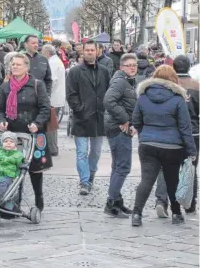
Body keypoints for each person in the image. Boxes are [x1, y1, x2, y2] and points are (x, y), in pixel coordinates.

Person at [131, 65, 197, 227]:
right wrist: (191, 150)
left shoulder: (143, 97)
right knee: (172, 181)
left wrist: (144, 137)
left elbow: (136, 121)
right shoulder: (178, 99)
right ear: (173, 79)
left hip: (148, 145)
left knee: (146, 180)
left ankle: (137, 214)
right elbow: (184, 127)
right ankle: (176, 214)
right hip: (172, 147)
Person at [0, 53, 51, 211]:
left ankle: (38, 199)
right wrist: (1, 122)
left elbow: (45, 107)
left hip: (33, 132)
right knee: (13, 168)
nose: (14, 67)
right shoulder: (5, 86)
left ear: (26, 67)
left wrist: (38, 123)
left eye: (18, 64)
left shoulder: (36, 84)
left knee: (35, 169)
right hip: (13, 134)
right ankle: (14, 202)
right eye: (13, 64)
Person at [155, 55, 200, 216]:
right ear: (189, 67)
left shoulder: (168, 86)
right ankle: (190, 203)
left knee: (164, 167)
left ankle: (161, 200)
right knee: (190, 168)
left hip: (170, 131)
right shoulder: (197, 86)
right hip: (193, 132)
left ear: (173, 66)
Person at [66, 40, 111, 195]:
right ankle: (84, 181)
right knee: (82, 152)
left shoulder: (104, 71)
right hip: (82, 118)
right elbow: (71, 95)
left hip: (99, 118)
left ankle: (91, 174)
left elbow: (108, 91)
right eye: (87, 50)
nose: (90, 52)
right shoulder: (75, 72)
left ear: (97, 51)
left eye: (93, 50)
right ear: (82, 52)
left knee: (96, 152)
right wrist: (80, 109)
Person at [103, 54, 138, 218]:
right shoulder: (120, 81)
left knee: (118, 166)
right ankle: (111, 203)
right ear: (121, 68)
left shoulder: (128, 81)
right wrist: (124, 119)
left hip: (119, 128)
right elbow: (108, 101)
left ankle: (116, 200)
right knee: (123, 167)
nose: (132, 67)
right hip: (118, 129)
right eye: (129, 65)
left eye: (135, 65)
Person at [42, 44, 66, 156]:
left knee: (51, 125)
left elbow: (52, 81)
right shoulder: (56, 61)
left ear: (47, 52)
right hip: (56, 98)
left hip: (53, 99)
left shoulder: (52, 62)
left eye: (43, 52)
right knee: (52, 124)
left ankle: (52, 148)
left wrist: (45, 96)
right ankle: (52, 147)